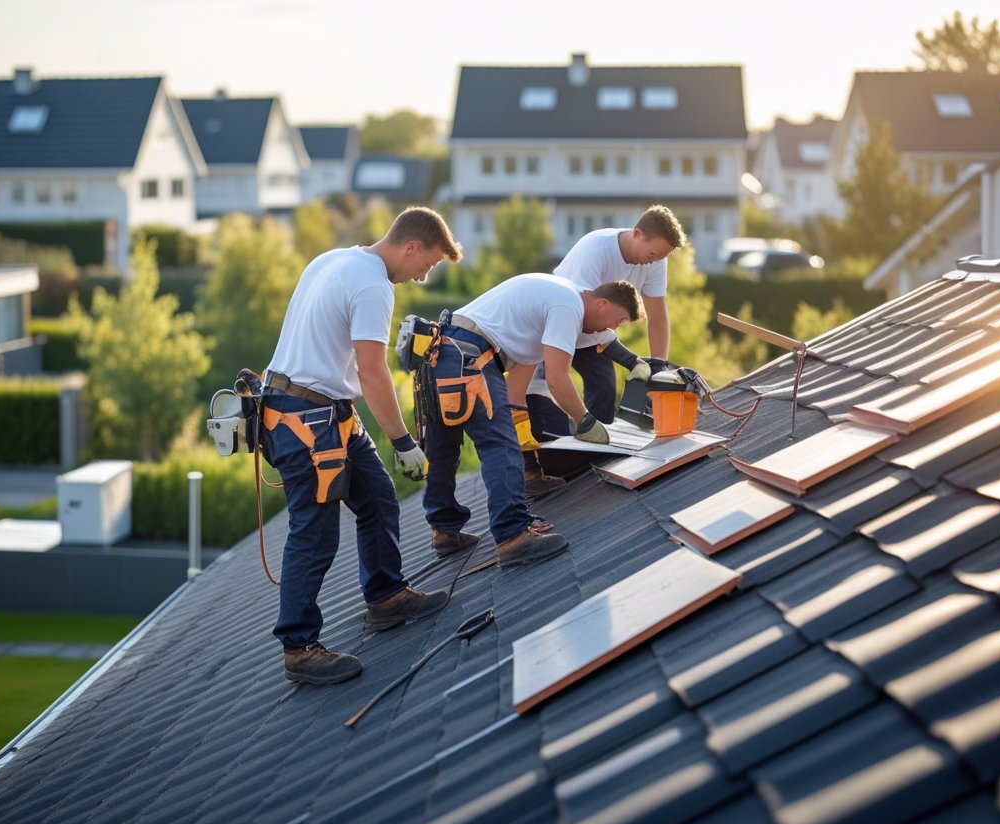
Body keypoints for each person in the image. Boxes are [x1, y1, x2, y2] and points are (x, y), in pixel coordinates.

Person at [260, 206, 463, 686]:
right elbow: (373, 372)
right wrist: (403, 441)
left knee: (376, 497)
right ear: (410, 246)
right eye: (428, 264)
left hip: (321, 410)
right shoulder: (373, 285)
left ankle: (386, 596)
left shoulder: (333, 259)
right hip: (306, 420)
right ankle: (299, 648)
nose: (423, 276)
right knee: (314, 533)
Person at [421, 273, 641, 566]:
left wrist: (517, 421)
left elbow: (515, 392)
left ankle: (445, 530)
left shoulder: (550, 303)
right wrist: (585, 421)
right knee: (500, 446)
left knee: (444, 447)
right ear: (602, 304)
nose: (612, 329)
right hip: (471, 356)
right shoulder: (568, 307)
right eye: (618, 320)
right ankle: (513, 536)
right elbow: (557, 379)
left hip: (443, 352)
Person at [523, 205, 687, 491]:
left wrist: (658, 367)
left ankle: (594, 452)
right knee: (544, 395)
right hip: (558, 324)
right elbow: (584, 309)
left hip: (594, 329)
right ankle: (543, 465)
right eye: (652, 255)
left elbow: (658, 316)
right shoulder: (595, 249)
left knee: (604, 383)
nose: (653, 263)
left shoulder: (656, 261)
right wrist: (621, 352)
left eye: (660, 258)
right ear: (637, 234)